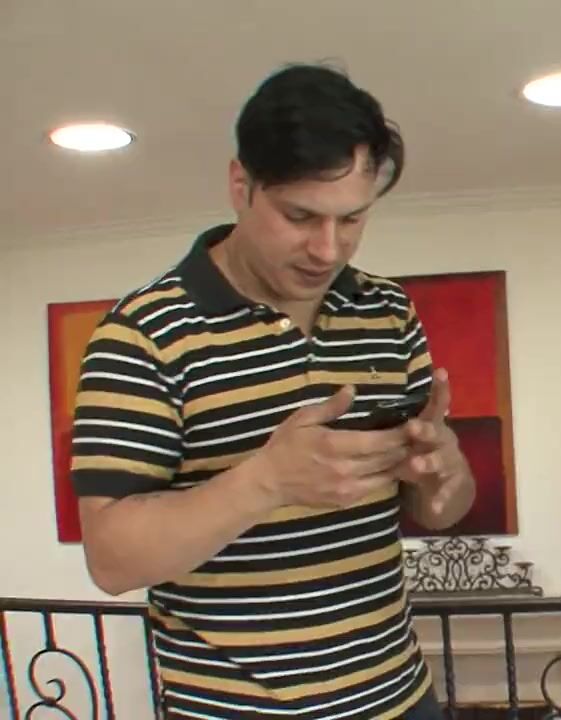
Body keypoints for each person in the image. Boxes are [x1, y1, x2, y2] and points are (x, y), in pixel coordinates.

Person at [71, 63, 474, 719]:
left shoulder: (389, 311)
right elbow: (111, 561)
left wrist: (444, 475)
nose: (328, 249)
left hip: (401, 698)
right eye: (299, 216)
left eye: (352, 218)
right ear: (241, 185)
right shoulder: (142, 334)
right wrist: (267, 481)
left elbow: (441, 509)